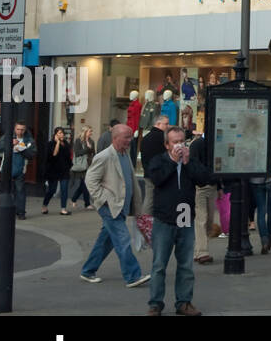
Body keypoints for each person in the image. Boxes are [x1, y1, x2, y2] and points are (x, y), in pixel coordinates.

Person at [146, 126, 210, 316]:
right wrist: (174, 162)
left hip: (185, 217)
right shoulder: (159, 161)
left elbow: (204, 178)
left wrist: (188, 162)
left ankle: (184, 302)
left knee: (185, 265)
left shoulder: (190, 161)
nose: (179, 145)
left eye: (182, 141)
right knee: (159, 264)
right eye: (175, 142)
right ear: (167, 145)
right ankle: (155, 303)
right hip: (164, 219)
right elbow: (156, 179)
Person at [79, 124, 150, 288]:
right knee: (123, 239)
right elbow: (90, 181)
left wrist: (136, 206)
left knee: (106, 240)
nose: (130, 140)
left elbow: (130, 180)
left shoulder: (125, 154)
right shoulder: (104, 156)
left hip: (121, 206)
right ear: (116, 137)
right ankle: (133, 276)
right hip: (110, 206)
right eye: (126, 137)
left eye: (130, 137)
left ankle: (88, 270)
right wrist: (104, 199)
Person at [189, 132, 217, 266]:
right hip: (200, 186)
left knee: (209, 220)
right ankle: (202, 252)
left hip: (212, 185)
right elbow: (193, 165)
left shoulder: (214, 143)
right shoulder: (198, 144)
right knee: (202, 218)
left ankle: (198, 250)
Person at [3, 122, 36, 218]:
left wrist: (23, 149)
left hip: (20, 169)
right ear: (14, 129)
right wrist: (9, 143)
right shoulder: (8, 136)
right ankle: (8, 211)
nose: (20, 131)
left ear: (25, 130)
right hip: (7, 168)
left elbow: (32, 154)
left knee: (20, 190)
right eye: (18, 129)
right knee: (7, 191)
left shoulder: (29, 140)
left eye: (22, 129)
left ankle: (21, 212)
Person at [41, 127, 73, 215]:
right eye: (59, 133)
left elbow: (69, 156)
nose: (62, 135)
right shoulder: (51, 144)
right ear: (55, 135)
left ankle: (63, 208)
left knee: (64, 190)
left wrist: (70, 166)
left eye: (62, 133)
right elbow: (54, 154)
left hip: (64, 170)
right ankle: (44, 205)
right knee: (52, 190)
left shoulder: (66, 144)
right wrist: (58, 142)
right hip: (53, 170)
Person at [70, 125, 96, 210]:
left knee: (84, 184)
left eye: (91, 131)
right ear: (85, 132)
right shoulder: (78, 141)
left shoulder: (91, 141)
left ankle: (74, 199)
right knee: (85, 184)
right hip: (82, 165)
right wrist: (87, 149)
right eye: (90, 131)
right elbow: (77, 153)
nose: (91, 133)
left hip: (89, 165)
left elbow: (93, 152)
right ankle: (87, 203)